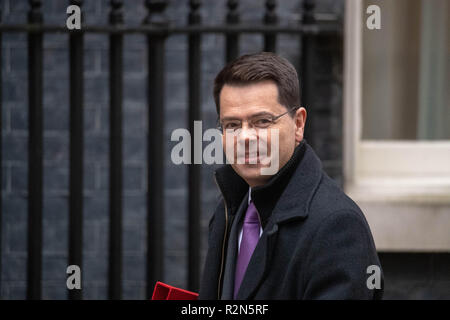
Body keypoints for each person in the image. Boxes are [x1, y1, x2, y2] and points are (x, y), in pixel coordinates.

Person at [199, 52, 383, 300]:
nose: (244, 138)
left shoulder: (337, 226)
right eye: (232, 125)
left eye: (262, 121)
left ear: (298, 124)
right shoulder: (227, 212)